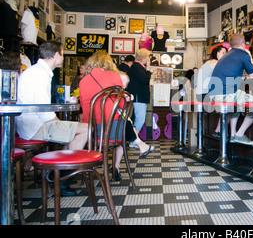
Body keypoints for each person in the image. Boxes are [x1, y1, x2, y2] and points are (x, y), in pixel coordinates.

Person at [16, 41, 88, 196]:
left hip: (29, 124)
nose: (62, 58)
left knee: (73, 129)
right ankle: (62, 178)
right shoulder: (40, 74)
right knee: (86, 130)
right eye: (62, 54)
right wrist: (59, 123)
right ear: (56, 55)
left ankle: (57, 172)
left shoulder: (36, 71)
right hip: (34, 127)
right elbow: (44, 111)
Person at [79, 51, 154, 181]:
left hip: (91, 131)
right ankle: (116, 168)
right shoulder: (114, 77)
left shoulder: (83, 80)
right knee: (122, 122)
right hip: (112, 131)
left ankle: (138, 144)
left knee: (121, 121)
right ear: (108, 62)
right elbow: (120, 106)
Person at [208, 34, 253, 145]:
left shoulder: (226, 55)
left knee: (235, 100)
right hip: (224, 94)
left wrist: (243, 77)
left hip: (214, 94)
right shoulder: (243, 54)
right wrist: (248, 56)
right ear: (243, 43)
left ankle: (232, 134)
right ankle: (238, 135)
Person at [195, 45, 228, 138]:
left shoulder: (208, 62)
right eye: (223, 53)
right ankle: (218, 131)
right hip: (205, 95)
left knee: (228, 104)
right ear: (216, 53)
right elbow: (223, 76)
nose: (225, 55)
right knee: (229, 106)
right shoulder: (216, 62)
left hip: (201, 94)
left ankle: (219, 131)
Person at [126, 48, 152, 146]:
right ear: (144, 58)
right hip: (138, 97)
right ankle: (134, 140)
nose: (148, 59)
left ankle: (134, 140)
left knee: (139, 119)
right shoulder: (137, 67)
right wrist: (148, 69)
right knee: (140, 119)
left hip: (138, 97)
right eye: (148, 57)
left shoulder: (136, 67)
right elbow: (145, 79)